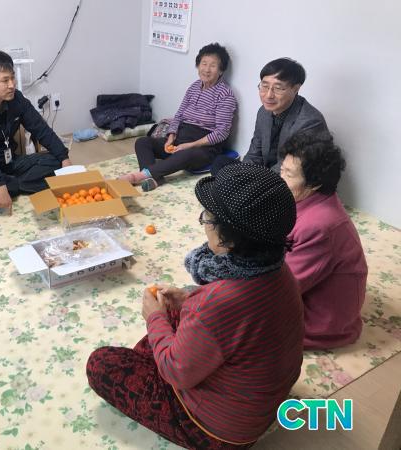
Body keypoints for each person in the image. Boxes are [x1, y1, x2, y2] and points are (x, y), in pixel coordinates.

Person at [87, 164, 304, 448]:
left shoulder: (216, 302)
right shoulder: (279, 270)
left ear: (229, 235)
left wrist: (154, 318)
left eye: (207, 217)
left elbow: (177, 372)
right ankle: (159, 347)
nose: (204, 223)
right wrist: (187, 302)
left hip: (220, 431)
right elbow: (239, 322)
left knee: (102, 363)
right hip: (263, 403)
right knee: (174, 314)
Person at [279, 132, 368, 349]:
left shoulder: (319, 227)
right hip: (307, 295)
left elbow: (282, 287)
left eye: (289, 174)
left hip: (320, 323)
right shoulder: (312, 199)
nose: (280, 178)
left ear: (314, 184)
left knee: (232, 315)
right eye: (282, 170)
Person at [0, 51, 72, 214]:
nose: (12, 85)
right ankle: (13, 184)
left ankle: (13, 185)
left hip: (10, 162)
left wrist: (64, 159)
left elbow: (40, 128)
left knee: (56, 161)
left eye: (12, 78)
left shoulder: (16, 98)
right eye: (5, 80)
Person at [119, 43, 237, 192]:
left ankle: (138, 176)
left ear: (221, 70)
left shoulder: (225, 95)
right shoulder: (194, 87)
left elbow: (222, 132)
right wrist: (171, 137)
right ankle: (155, 178)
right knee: (143, 142)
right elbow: (179, 115)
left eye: (213, 65)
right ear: (198, 65)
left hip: (204, 147)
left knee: (184, 154)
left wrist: (191, 145)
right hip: (180, 138)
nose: (207, 69)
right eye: (204, 63)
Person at [243, 57, 328, 172]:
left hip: (292, 179)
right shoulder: (263, 112)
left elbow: (289, 171)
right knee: (223, 165)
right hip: (266, 174)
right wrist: (241, 175)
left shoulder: (310, 122)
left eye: (278, 88)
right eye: (265, 86)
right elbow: (254, 154)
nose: (268, 95)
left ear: (296, 89)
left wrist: (254, 180)